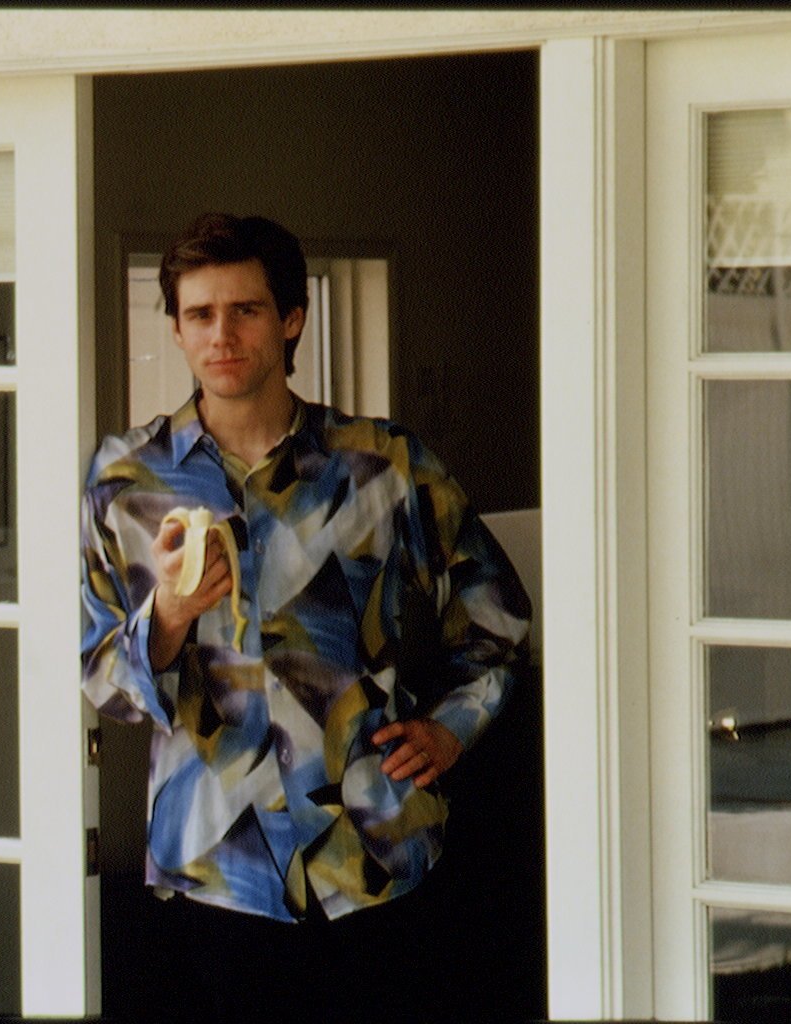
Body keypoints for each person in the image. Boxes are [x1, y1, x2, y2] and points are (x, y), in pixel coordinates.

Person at [79, 213, 531, 1022]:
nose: (222, 334)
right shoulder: (126, 481)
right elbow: (101, 677)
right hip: (215, 868)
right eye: (200, 315)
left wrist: (453, 727)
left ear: (291, 319)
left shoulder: (384, 466)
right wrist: (172, 616)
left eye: (245, 310)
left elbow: (495, 611)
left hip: (375, 855)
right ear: (179, 330)